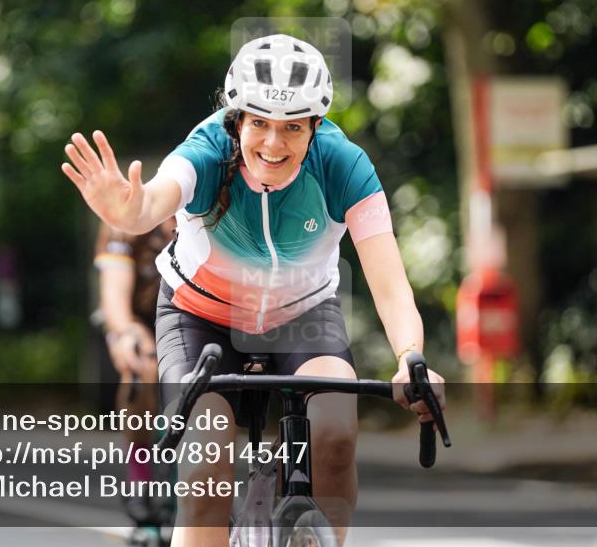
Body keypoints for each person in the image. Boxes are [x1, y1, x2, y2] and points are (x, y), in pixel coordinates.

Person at [63, 33, 446, 547]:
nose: (273, 143)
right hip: (199, 316)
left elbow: (390, 282)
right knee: (207, 461)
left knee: (335, 434)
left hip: (303, 315)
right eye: (259, 123)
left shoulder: (344, 165)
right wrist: (131, 213)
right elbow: (154, 200)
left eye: (293, 127)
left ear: (316, 125)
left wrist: (410, 356)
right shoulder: (206, 150)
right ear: (236, 119)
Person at [93, 218, 176, 546]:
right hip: (142, 322)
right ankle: (140, 481)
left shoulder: (213, 207)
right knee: (142, 367)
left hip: (196, 321)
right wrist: (125, 332)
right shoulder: (126, 222)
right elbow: (114, 293)